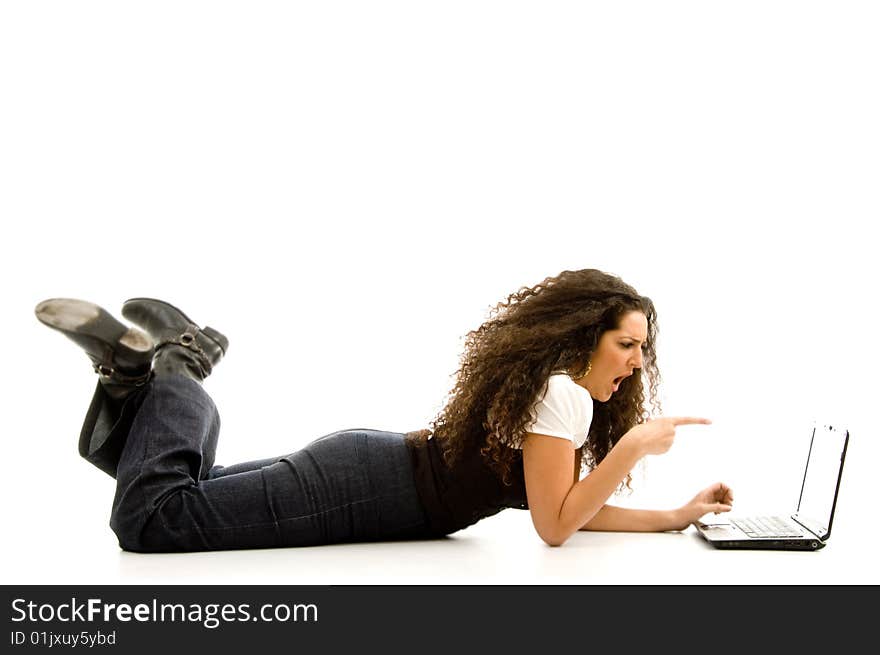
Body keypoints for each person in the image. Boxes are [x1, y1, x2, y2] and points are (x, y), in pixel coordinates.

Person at [34, 269, 733, 553]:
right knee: (155, 519)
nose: (637, 361)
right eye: (626, 344)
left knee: (187, 485)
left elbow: (570, 502)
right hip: (366, 486)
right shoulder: (563, 394)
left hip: (367, 469)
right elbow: (556, 526)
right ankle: (180, 366)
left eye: (643, 348)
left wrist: (674, 515)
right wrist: (633, 447)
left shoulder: (554, 396)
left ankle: (126, 378)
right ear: (587, 337)